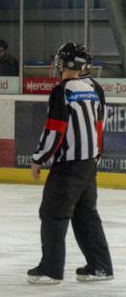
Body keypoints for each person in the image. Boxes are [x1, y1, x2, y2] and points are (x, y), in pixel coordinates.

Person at [27, 42, 113, 284]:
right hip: (88, 162)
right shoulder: (94, 87)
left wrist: (38, 158)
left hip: (68, 165)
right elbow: (100, 126)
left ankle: (50, 270)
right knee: (86, 214)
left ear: (64, 64)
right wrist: (95, 155)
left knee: (53, 213)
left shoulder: (61, 91)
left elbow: (55, 130)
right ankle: (101, 266)